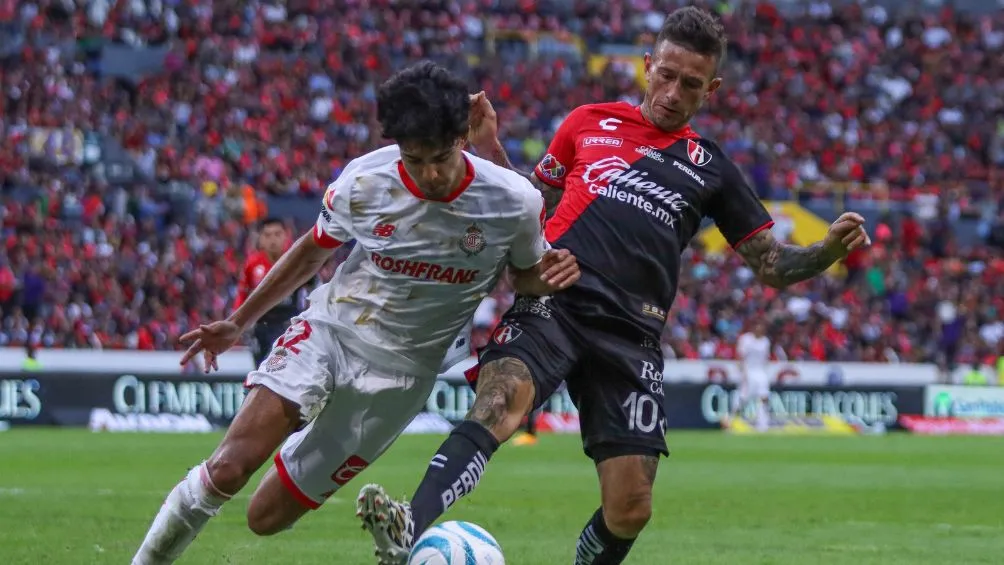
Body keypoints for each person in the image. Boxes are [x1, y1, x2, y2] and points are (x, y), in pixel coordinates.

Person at [357, 7, 871, 565]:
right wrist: (490, 147)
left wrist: (826, 251)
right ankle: (408, 525)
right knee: (499, 402)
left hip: (632, 333)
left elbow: (769, 263)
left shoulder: (712, 168)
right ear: (648, 65)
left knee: (631, 508)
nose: (673, 93)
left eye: (691, 84)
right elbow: (529, 206)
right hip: (555, 300)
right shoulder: (587, 122)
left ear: (712, 89)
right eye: (666, 75)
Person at [130, 60, 581, 565]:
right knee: (228, 469)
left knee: (265, 517)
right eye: (414, 160)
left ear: (462, 138)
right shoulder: (365, 181)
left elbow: (522, 274)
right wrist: (239, 321)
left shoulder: (511, 200)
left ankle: (309, 443)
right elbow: (311, 251)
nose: (430, 174)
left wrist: (548, 276)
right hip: (332, 333)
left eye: (440, 158)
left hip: (403, 378)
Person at [236, 217, 307, 367]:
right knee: (262, 369)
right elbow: (242, 296)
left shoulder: (296, 262)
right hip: (261, 327)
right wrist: (238, 324)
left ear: (285, 236)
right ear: (260, 239)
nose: (273, 240)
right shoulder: (252, 265)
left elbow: (311, 291)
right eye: (267, 235)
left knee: (287, 370)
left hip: (290, 326)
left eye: (277, 234)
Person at [729, 319, 773, 432]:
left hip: (761, 372)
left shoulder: (765, 341)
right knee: (743, 398)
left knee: (764, 397)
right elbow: (740, 357)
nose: (760, 329)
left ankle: (763, 425)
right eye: (758, 327)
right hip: (748, 371)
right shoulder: (746, 339)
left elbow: (765, 358)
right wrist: (742, 373)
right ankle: (731, 421)